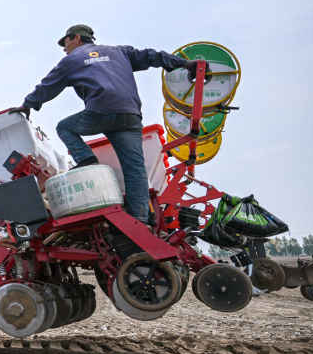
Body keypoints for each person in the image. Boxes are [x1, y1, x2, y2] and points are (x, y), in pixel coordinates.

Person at [15, 24, 197, 224]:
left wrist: (28, 105)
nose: (64, 47)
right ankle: (140, 219)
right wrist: (184, 64)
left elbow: (47, 86)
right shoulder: (120, 52)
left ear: (76, 37)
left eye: (65, 42)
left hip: (100, 110)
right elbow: (151, 56)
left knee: (65, 127)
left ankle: (86, 160)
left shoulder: (71, 61)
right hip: (130, 114)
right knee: (135, 168)